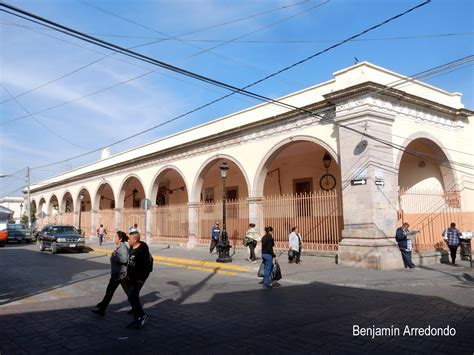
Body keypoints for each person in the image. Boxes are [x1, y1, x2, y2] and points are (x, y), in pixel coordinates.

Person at [91, 231, 129, 316]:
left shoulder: (122, 247)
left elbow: (124, 259)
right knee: (109, 291)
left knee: (128, 293)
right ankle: (102, 308)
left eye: (116, 237)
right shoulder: (120, 247)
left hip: (121, 275)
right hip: (117, 275)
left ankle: (137, 309)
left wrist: (114, 256)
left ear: (120, 239)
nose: (114, 238)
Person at [125, 230, 152, 329]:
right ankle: (138, 318)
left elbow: (146, 266)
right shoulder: (132, 247)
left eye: (129, 239)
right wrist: (127, 273)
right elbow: (130, 262)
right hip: (131, 276)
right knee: (133, 297)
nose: (128, 240)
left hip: (139, 278)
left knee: (132, 297)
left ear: (135, 239)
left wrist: (141, 279)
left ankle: (141, 316)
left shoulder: (142, 250)